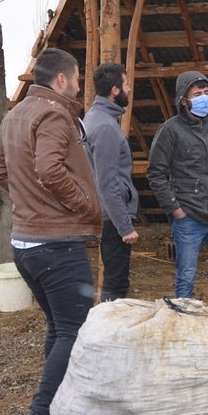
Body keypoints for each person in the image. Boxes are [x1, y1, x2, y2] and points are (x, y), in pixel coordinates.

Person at [0, 48, 101, 415]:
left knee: (59, 329)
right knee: (76, 331)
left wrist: (31, 205)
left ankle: (55, 413)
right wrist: (85, 206)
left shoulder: (16, 113)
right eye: (75, 78)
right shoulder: (55, 115)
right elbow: (51, 170)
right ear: (61, 79)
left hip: (26, 243)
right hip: (56, 244)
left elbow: (0, 171)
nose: (77, 85)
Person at [146, 71, 208, 313]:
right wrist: (176, 209)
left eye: (206, 93)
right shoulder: (170, 130)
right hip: (188, 216)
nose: (204, 98)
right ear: (184, 100)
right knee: (186, 278)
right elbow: (156, 173)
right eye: (197, 94)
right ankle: (184, 327)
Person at [86, 62, 140, 301]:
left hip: (105, 213)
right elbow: (107, 182)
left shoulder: (94, 117)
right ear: (115, 90)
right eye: (127, 84)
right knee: (115, 286)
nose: (130, 89)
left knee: (114, 279)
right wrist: (124, 226)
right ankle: (109, 333)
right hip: (111, 217)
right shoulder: (106, 127)